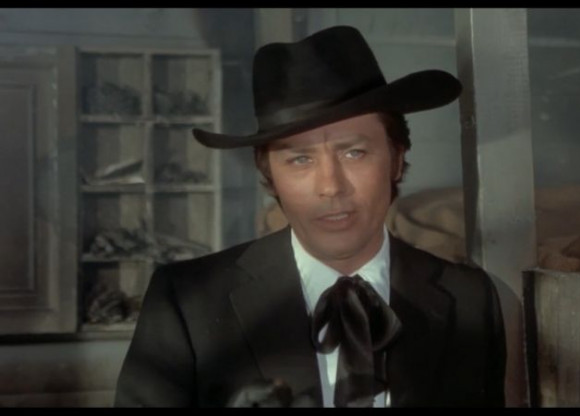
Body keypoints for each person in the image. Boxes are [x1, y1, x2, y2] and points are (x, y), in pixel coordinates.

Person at [114, 25, 506, 408]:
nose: (330, 186)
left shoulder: (471, 299)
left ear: (396, 160)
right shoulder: (187, 301)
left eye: (354, 152)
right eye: (300, 159)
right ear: (269, 175)